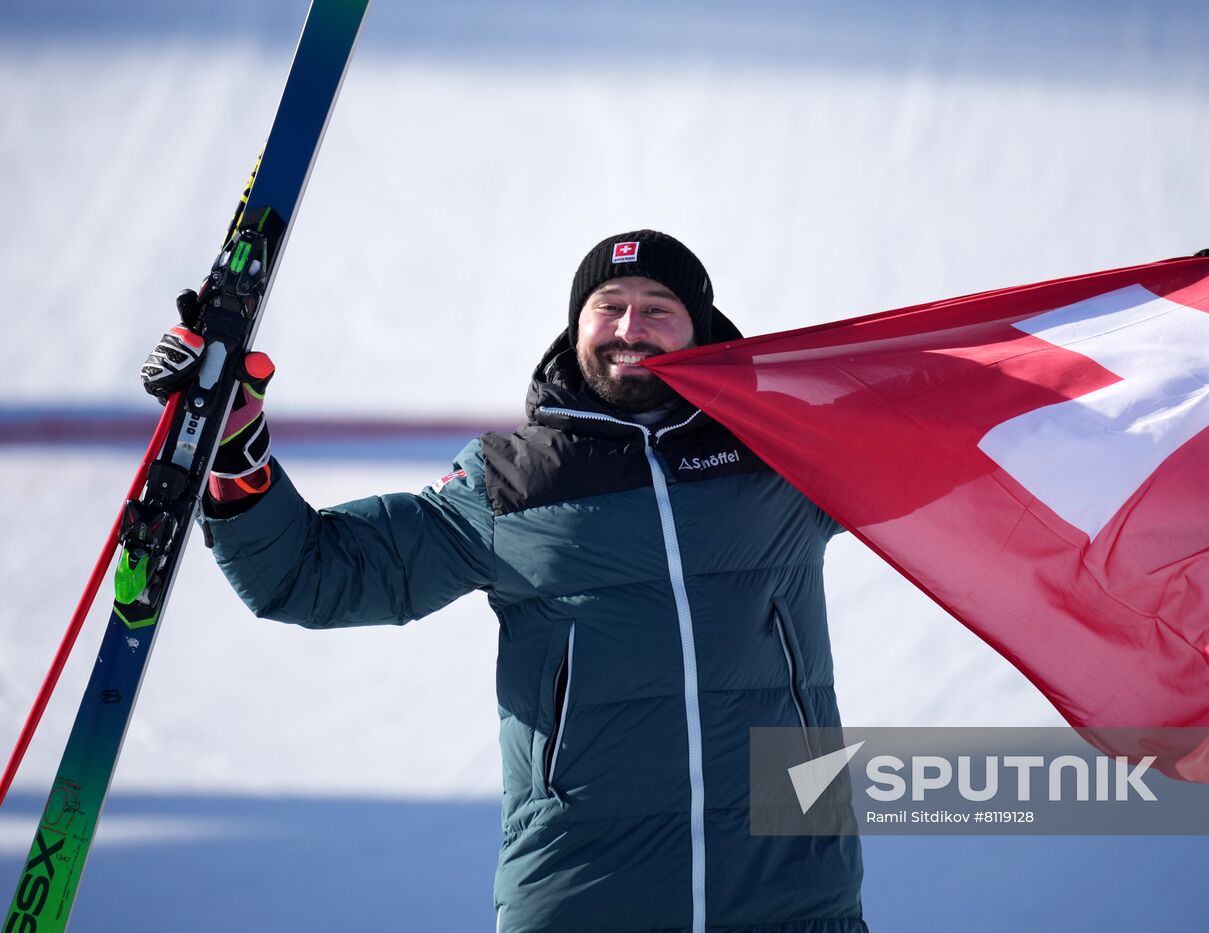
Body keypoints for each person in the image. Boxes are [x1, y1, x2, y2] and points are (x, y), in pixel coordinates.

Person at [143, 230, 867, 932]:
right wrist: (238, 455)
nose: (629, 326)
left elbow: (936, 459)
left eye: (657, 308)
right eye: (608, 304)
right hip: (583, 892)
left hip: (790, 890)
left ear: (699, 329)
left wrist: (980, 359)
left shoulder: (778, 451)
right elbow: (313, 573)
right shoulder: (512, 481)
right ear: (576, 324)